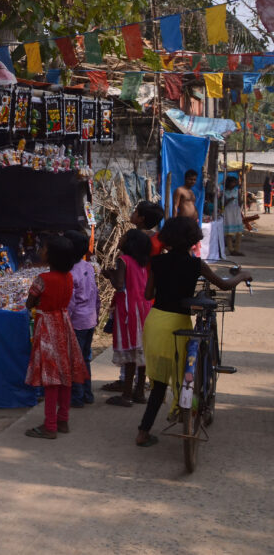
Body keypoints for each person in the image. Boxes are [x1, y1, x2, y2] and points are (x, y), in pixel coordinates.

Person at [135, 217, 251, 447]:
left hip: (155, 323)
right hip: (178, 324)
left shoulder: (157, 262)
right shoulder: (197, 265)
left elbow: (148, 295)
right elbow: (225, 285)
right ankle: (189, 414)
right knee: (185, 379)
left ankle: (143, 432)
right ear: (193, 239)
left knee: (158, 383)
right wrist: (243, 276)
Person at [24, 235, 87, 439]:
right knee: (65, 376)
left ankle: (49, 425)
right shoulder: (68, 277)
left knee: (51, 379)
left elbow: (29, 302)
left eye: (44, 249)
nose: (41, 251)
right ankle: (63, 419)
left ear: (51, 256)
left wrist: (34, 301)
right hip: (64, 324)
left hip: (48, 328)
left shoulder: (43, 279)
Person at [102, 229, 152, 407]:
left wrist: (110, 276)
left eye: (124, 237)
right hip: (146, 307)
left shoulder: (123, 260)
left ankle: (127, 393)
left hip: (129, 310)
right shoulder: (145, 262)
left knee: (131, 352)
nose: (120, 239)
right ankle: (139, 391)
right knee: (141, 350)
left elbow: (120, 284)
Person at [64, 229, 99, 408]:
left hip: (76, 322)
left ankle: (76, 396)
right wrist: (97, 314)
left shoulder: (69, 272)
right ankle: (87, 393)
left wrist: (65, 322)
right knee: (84, 358)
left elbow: (70, 303)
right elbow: (95, 294)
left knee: (75, 360)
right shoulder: (88, 267)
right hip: (89, 320)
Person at [223, 175, 244, 256]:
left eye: (235, 183)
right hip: (228, 212)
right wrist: (228, 200)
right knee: (229, 232)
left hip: (236, 211)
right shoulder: (224, 192)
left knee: (239, 232)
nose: (234, 184)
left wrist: (241, 201)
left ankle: (237, 249)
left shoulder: (236, 191)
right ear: (228, 183)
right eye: (232, 182)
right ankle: (231, 249)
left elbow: (240, 201)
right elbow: (222, 204)